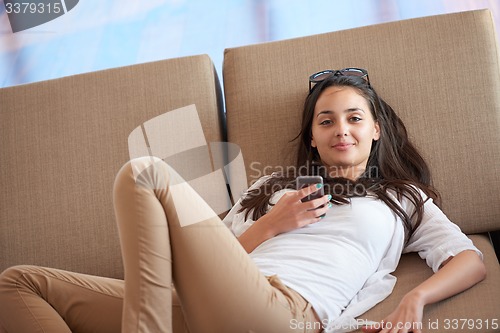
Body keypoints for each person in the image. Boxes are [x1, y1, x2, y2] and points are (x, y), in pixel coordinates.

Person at [0, 69, 486, 333]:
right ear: (312, 139)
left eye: (355, 118)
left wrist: (416, 299)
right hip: (200, 304)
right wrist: (272, 224)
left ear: (375, 131)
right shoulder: (270, 188)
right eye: (326, 120)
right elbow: (194, 266)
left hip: (285, 311)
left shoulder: (402, 197)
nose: (341, 129)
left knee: (145, 171)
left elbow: (470, 259)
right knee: (19, 282)